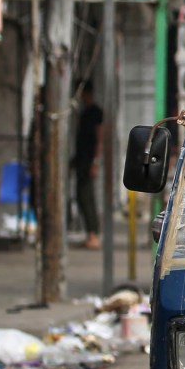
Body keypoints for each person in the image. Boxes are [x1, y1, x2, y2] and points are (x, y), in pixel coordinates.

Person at [72, 80, 106, 250]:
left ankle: (93, 233)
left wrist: (95, 161)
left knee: (86, 196)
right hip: (81, 158)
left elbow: (99, 138)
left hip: (88, 160)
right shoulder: (84, 113)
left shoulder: (95, 113)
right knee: (81, 195)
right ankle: (90, 233)